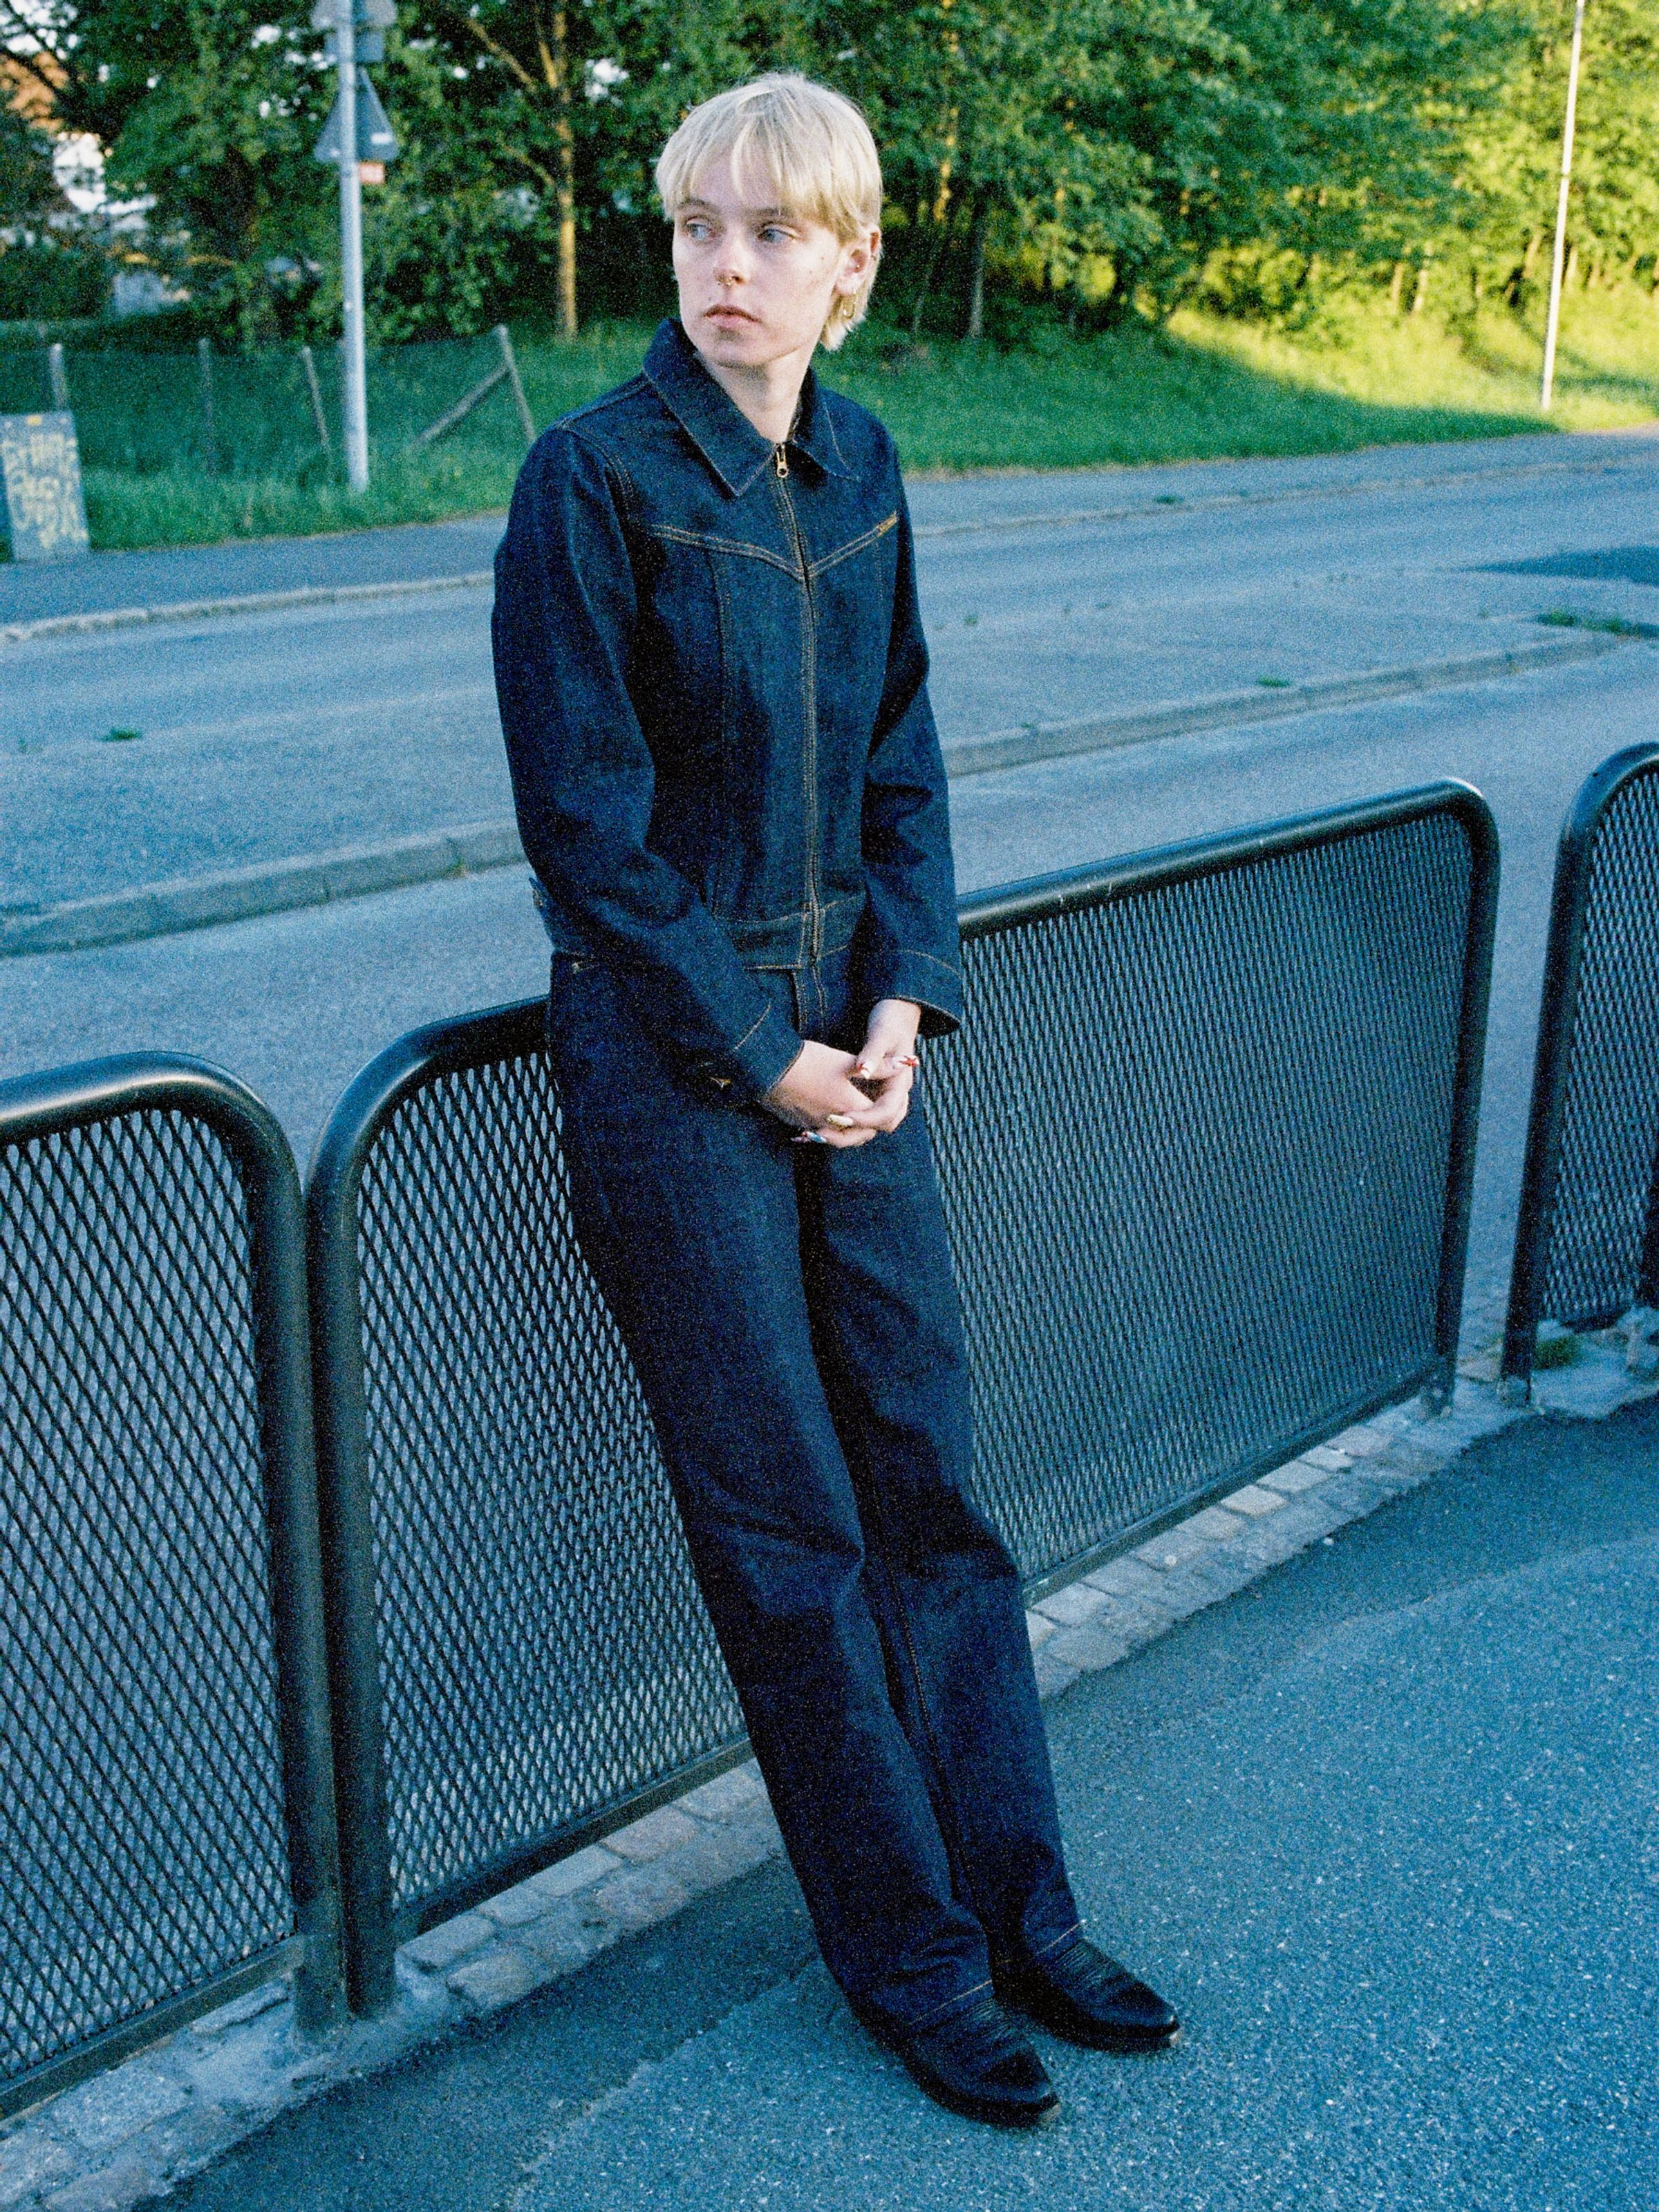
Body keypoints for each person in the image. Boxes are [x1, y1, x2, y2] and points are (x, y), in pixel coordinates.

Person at [491, 71, 1179, 2128]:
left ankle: (1025, 1905)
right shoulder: (592, 483)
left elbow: (905, 767)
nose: (725, 266)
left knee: (934, 1497)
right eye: (699, 227)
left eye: (773, 233)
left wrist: (900, 1000)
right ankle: (910, 1957)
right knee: (790, 1537)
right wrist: (762, 1052)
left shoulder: (862, 465)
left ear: (851, 266)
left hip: (845, 1052)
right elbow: (589, 837)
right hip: (675, 1070)